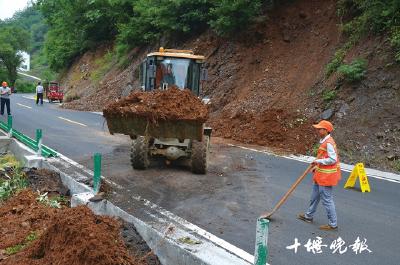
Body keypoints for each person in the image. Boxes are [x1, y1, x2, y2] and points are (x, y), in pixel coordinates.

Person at [298, 120, 341, 231]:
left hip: (326, 177)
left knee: (327, 200)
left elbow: (333, 159)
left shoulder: (329, 143)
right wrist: (317, 165)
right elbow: (324, 156)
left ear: (326, 130)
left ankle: (333, 224)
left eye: (320, 129)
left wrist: (319, 162)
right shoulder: (324, 141)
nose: (318, 130)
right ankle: (309, 216)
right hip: (320, 174)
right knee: (315, 196)